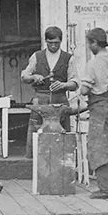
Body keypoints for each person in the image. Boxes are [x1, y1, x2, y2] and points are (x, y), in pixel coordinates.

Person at [21, 26, 78, 158]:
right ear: (46, 41)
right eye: (50, 43)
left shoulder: (68, 58)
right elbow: (24, 76)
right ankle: (36, 163)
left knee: (62, 135)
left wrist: (64, 85)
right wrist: (34, 77)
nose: (53, 46)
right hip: (40, 101)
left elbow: (75, 83)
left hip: (60, 102)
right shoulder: (37, 56)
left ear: (61, 41)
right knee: (38, 132)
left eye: (56, 43)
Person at [79, 28, 108, 199]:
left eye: (89, 43)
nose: (89, 47)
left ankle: (107, 189)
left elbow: (84, 89)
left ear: (95, 43)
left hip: (100, 107)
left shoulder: (93, 63)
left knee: (99, 147)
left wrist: (80, 90)